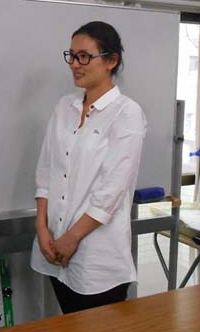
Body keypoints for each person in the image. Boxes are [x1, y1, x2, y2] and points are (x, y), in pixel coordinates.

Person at [30, 21, 146, 314]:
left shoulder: (126, 114)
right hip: (53, 244)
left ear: (111, 61)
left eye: (84, 56)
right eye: (71, 56)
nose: (75, 65)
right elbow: (46, 173)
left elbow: (112, 191)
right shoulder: (64, 107)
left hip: (96, 256)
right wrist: (42, 228)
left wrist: (72, 238)